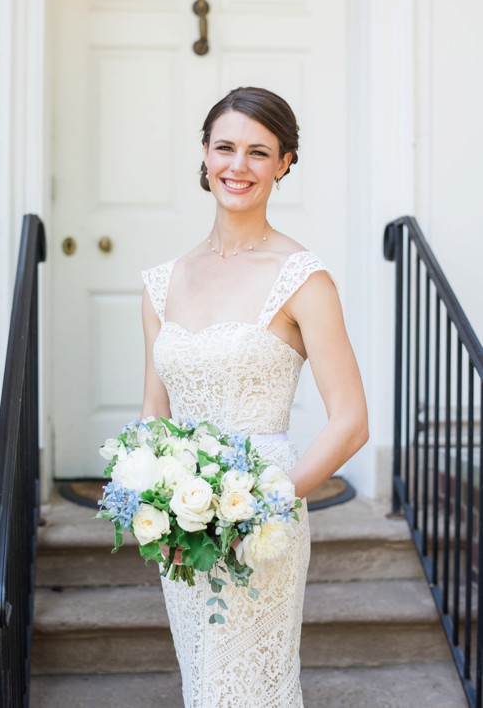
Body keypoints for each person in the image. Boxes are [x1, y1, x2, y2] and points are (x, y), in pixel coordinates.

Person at [140, 87, 368, 706]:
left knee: (250, 688)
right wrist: (151, 500)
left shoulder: (303, 278)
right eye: (226, 148)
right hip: (182, 530)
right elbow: (153, 418)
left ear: (284, 163)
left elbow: (350, 422)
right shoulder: (164, 283)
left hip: (264, 525)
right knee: (204, 685)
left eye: (258, 153)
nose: (238, 166)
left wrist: (266, 507)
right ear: (205, 154)